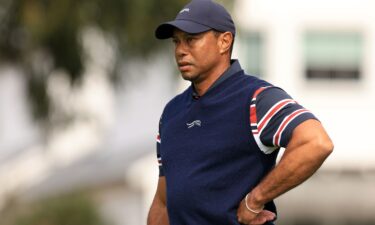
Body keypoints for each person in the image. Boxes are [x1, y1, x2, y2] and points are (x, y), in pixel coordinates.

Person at [147, 0, 334, 224]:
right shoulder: (172, 112)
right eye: (176, 42)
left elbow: (316, 143)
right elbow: (164, 201)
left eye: (191, 40)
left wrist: (255, 199)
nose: (180, 51)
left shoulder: (256, 98)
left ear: (224, 42)